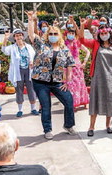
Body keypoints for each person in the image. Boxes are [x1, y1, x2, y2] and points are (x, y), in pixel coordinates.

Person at [27, 11, 76, 140]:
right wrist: (31, 20)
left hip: (57, 82)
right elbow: (32, 35)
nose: (53, 36)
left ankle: (68, 125)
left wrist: (67, 81)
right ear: (47, 35)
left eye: (55, 34)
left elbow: (70, 65)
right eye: (50, 34)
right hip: (40, 81)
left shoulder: (64, 49)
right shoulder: (41, 46)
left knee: (69, 101)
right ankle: (47, 129)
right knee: (46, 105)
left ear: (59, 35)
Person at [79, 18, 112, 137]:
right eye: (101, 33)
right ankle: (91, 126)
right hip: (98, 77)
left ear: (109, 34)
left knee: (110, 101)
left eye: (105, 33)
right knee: (95, 101)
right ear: (99, 34)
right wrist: (83, 25)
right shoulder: (95, 44)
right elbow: (81, 39)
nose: (104, 35)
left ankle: (108, 125)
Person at [2, 29, 39, 117]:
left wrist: (32, 62)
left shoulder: (29, 47)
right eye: (16, 36)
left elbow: (34, 56)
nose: (18, 37)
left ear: (23, 36)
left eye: (20, 35)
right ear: (14, 38)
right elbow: (4, 50)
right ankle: (20, 109)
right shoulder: (12, 47)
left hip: (28, 70)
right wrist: (5, 39)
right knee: (19, 89)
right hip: (18, 71)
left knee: (31, 89)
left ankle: (33, 108)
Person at [65, 17, 91, 109]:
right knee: (71, 85)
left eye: (72, 33)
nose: (71, 35)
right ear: (66, 34)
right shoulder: (64, 44)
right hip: (68, 67)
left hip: (78, 66)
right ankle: (74, 103)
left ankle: (84, 102)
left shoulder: (77, 43)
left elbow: (88, 51)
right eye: (69, 33)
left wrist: (84, 62)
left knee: (81, 83)